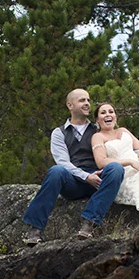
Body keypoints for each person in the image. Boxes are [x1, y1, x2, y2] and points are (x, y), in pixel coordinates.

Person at [22, 89, 125, 245]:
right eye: (82, 100)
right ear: (70, 105)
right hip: (73, 182)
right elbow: (63, 162)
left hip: (98, 179)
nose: (87, 104)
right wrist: (85, 176)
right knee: (56, 171)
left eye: (88, 100)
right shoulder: (59, 133)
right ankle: (34, 229)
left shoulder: (98, 129)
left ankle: (89, 223)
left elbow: (120, 141)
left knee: (116, 169)